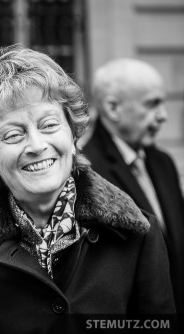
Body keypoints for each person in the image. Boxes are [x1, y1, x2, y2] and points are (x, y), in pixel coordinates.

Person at [0, 45, 176, 334]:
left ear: (72, 135)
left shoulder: (137, 234)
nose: (36, 145)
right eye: (13, 134)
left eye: (49, 125)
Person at [82, 58, 184, 317]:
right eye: (152, 104)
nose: (163, 115)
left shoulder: (163, 162)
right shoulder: (87, 172)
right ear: (113, 108)